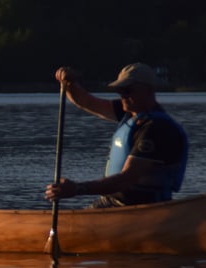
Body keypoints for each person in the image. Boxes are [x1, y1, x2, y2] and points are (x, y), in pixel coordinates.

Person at [45, 62, 188, 207]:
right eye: (119, 90)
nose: (122, 95)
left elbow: (126, 179)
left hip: (141, 207)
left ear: (148, 90)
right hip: (113, 203)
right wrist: (69, 84)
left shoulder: (157, 129)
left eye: (127, 90)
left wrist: (78, 189)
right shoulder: (129, 111)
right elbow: (87, 102)